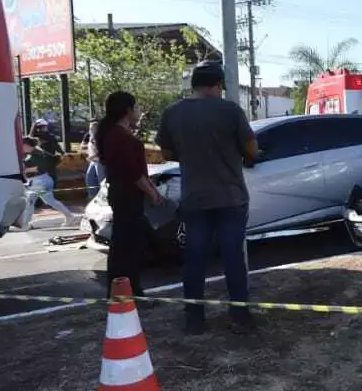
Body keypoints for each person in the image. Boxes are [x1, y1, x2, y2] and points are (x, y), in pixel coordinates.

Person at [156, 62, 258, 334]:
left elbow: (165, 152)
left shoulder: (173, 112)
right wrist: (242, 155)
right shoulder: (229, 110)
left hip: (194, 198)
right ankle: (239, 315)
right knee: (233, 257)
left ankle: (194, 318)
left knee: (195, 258)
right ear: (218, 84)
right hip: (230, 197)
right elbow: (250, 147)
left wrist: (190, 153)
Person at [96, 91, 163, 298]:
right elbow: (133, 173)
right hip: (128, 196)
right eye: (136, 107)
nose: (139, 112)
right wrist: (152, 192)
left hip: (122, 195)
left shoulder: (112, 134)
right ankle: (127, 293)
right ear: (128, 110)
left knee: (126, 245)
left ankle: (125, 291)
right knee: (128, 248)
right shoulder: (120, 137)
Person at [19, 136, 78, 229]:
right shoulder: (35, 152)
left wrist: (23, 170)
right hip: (43, 180)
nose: (20, 147)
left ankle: (25, 225)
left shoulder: (36, 154)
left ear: (26, 145)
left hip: (39, 181)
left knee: (30, 201)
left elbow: (39, 168)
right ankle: (69, 216)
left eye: (22, 145)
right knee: (51, 201)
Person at [81, 127, 104, 199]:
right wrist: (89, 145)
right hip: (93, 161)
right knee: (89, 178)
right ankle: (92, 197)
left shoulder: (102, 135)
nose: (92, 129)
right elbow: (81, 146)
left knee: (102, 181)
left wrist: (92, 155)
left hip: (100, 161)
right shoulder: (88, 135)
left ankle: (104, 198)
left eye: (94, 127)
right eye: (91, 127)